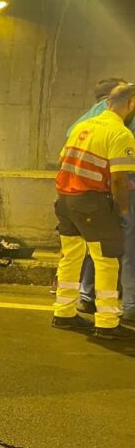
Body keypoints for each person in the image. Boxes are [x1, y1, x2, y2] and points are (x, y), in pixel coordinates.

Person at [52, 84, 135, 341]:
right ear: (131, 103)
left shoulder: (83, 126)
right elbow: (119, 180)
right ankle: (107, 323)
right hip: (92, 203)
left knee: (71, 257)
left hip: (66, 200)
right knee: (107, 261)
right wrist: (122, 210)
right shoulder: (120, 134)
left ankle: (63, 313)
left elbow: (62, 159)